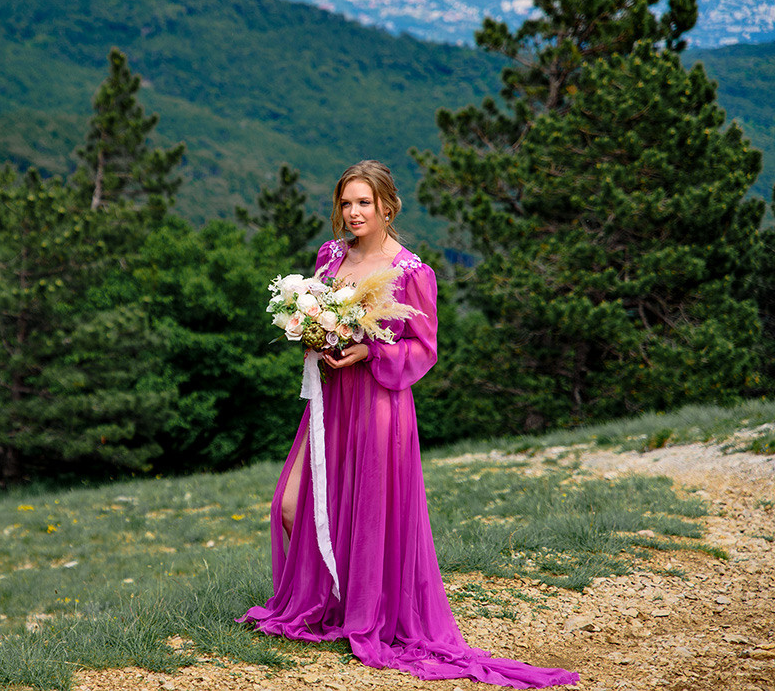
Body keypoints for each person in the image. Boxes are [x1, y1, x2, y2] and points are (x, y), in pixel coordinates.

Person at [239, 161, 578, 688]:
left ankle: (367, 613)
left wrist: (367, 353)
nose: (353, 213)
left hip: (378, 401)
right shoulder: (330, 256)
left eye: (364, 204)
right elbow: (324, 317)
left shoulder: (411, 272)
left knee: (370, 513)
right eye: (346, 203)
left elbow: (424, 348)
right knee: (290, 503)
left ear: (387, 207)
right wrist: (312, 334)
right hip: (329, 399)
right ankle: (333, 600)